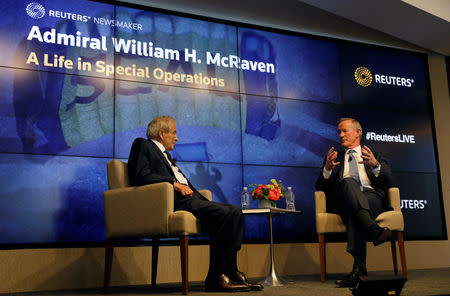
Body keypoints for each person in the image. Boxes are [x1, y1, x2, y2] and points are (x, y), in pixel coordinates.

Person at [127, 116, 263, 292]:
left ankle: (230, 270)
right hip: (173, 201)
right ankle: (216, 278)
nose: (177, 138)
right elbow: (139, 175)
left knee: (235, 212)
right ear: (161, 133)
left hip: (191, 200)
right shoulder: (143, 145)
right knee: (225, 214)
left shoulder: (166, 155)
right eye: (174, 133)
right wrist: (173, 183)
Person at [316, 117, 394, 287]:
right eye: (339, 132)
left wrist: (375, 165)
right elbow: (319, 187)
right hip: (344, 199)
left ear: (358, 132)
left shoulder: (375, 154)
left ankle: (358, 269)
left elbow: (389, 181)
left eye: (345, 131)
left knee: (356, 210)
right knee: (348, 182)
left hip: (372, 197)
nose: (341, 135)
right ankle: (374, 231)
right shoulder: (334, 158)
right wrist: (328, 170)